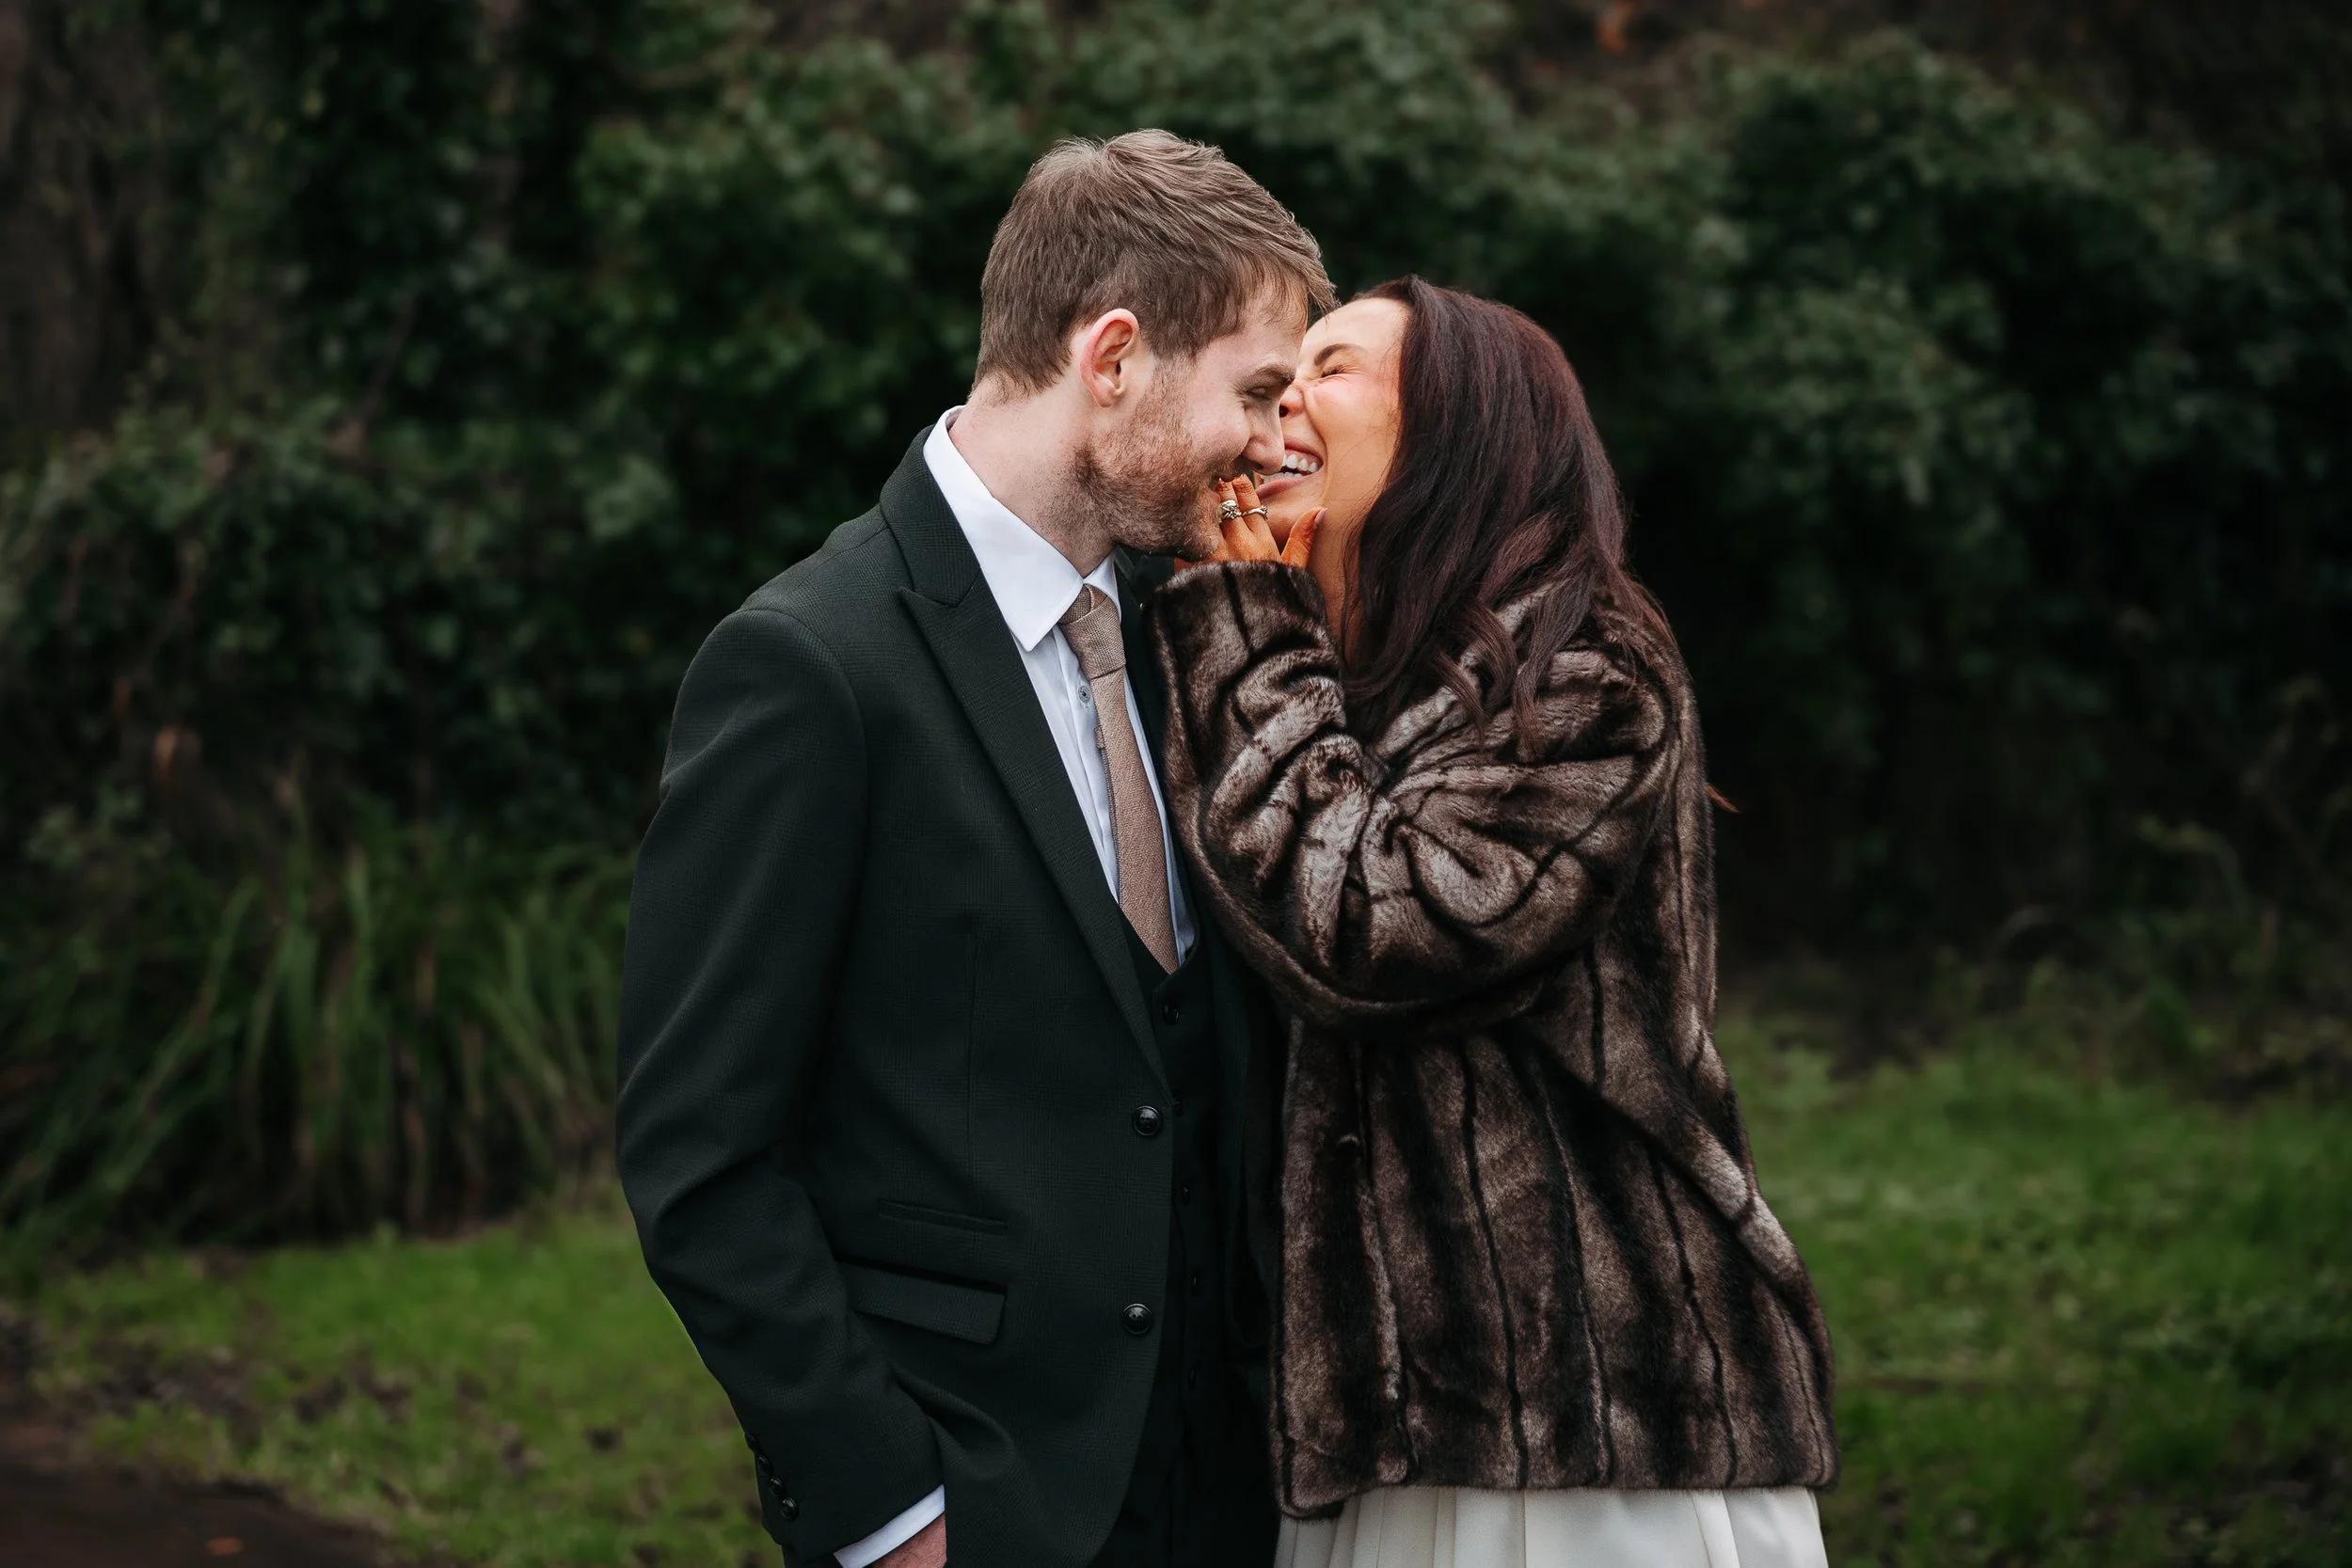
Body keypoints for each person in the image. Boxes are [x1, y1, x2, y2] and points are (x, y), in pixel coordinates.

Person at [613, 131, 1335, 1568]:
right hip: (983, 1496)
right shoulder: (808, 667)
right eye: (1255, 390)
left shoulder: (1184, 621)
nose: (1276, 439)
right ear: (1114, 356)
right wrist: (890, 1507)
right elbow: (699, 1153)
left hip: (1233, 1494)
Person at [1148, 277, 1839, 1568]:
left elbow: (1369, 928)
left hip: (1595, 1429)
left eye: (1332, 367)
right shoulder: (1335, 682)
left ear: (1457, 432)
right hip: (1388, 1426)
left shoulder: (1586, 670)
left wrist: (1248, 640)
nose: (1276, 400)